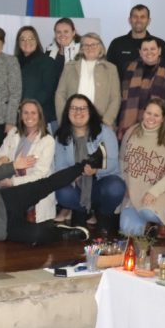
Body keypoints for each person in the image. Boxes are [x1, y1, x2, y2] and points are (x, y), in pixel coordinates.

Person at [53, 94, 123, 233]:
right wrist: (72, 176)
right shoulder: (61, 135)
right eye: (73, 108)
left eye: (83, 108)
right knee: (61, 192)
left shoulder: (105, 132)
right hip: (77, 185)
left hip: (100, 182)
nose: (78, 112)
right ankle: (82, 210)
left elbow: (113, 163)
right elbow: (60, 166)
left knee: (116, 187)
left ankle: (103, 214)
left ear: (90, 111)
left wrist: (96, 170)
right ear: (67, 112)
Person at [118, 98, 165, 236]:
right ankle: (145, 226)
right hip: (132, 192)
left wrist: (154, 192)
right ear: (143, 113)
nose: (151, 118)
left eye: (156, 115)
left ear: (163, 118)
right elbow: (122, 160)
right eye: (149, 113)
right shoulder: (131, 132)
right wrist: (125, 184)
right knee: (128, 231)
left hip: (157, 193)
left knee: (148, 213)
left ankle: (162, 220)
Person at [0, 99, 57, 223]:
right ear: (21, 115)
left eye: (33, 113)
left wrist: (12, 182)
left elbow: (40, 175)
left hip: (31, 187)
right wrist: (2, 160)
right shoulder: (13, 133)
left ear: (40, 115)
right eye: (25, 113)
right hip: (7, 183)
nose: (29, 116)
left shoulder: (48, 141)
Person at [117, 37, 165, 139]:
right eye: (145, 49)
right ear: (140, 52)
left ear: (159, 51)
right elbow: (119, 98)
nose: (149, 52)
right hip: (128, 130)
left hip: (158, 130)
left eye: (152, 49)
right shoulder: (127, 69)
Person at [54, 32, 120, 126]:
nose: (90, 48)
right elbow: (60, 94)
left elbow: (115, 98)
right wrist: (63, 120)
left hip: (101, 123)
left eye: (94, 45)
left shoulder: (111, 69)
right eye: (86, 45)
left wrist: (106, 121)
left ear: (100, 47)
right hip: (73, 121)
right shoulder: (69, 67)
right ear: (81, 48)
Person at [106, 4, 165, 74]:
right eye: (135, 17)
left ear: (148, 21)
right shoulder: (116, 44)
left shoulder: (160, 44)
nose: (138, 20)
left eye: (142, 17)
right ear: (129, 20)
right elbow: (108, 71)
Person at [14, 26, 59, 125]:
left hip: (41, 116)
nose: (27, 42)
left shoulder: (47, 62)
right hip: (18, 117)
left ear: (37, 41)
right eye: (23, 39)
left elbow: (47, 91)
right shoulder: (13, 63)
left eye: (31, 38)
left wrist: (26, 106)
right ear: (18, 43)